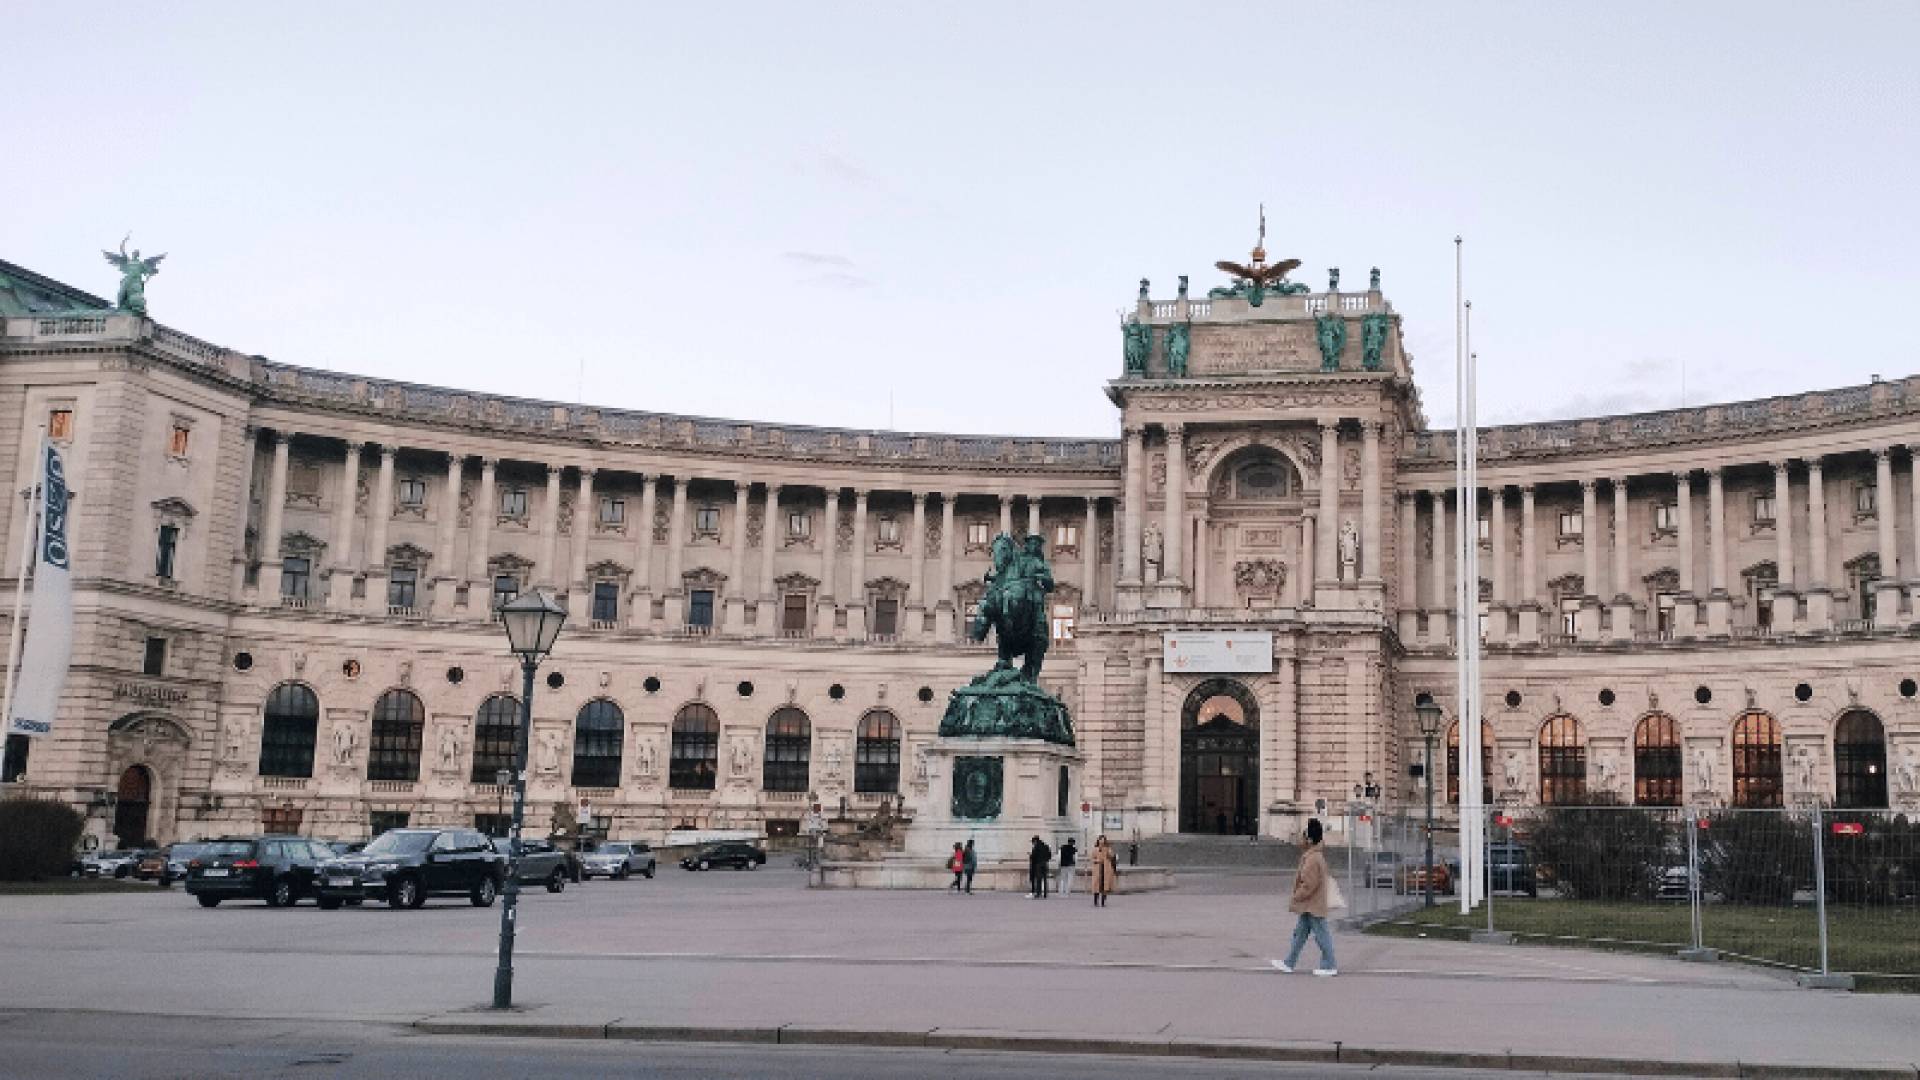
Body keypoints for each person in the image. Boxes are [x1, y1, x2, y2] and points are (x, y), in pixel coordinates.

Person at [1271, 818, 1337, 976]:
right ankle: (1289, 962)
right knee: (1299, 935)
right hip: (1310, 905)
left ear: (1310, 839)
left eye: (1304, 835)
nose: (1301, 839)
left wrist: (1296, 896)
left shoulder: (1312, 858)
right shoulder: (1314, 856)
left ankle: (1329, 965)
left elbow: (1309, 884)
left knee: (1322, 936)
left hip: (1312, 904)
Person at [1089, 834, 1118, 907]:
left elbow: (1112, 856)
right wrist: (1096, 860)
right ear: (1098, 840)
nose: (1102, 841)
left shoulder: (1107, 848)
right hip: (1098, 868)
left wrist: (1109, 851)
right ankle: (1096, 900)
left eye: (1103, 840)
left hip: (1106, 868)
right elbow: (1092, 858)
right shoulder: (1095, 849)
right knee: (1096, 885)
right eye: (1100, 839)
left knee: (1105, 885)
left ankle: (1103, 901)